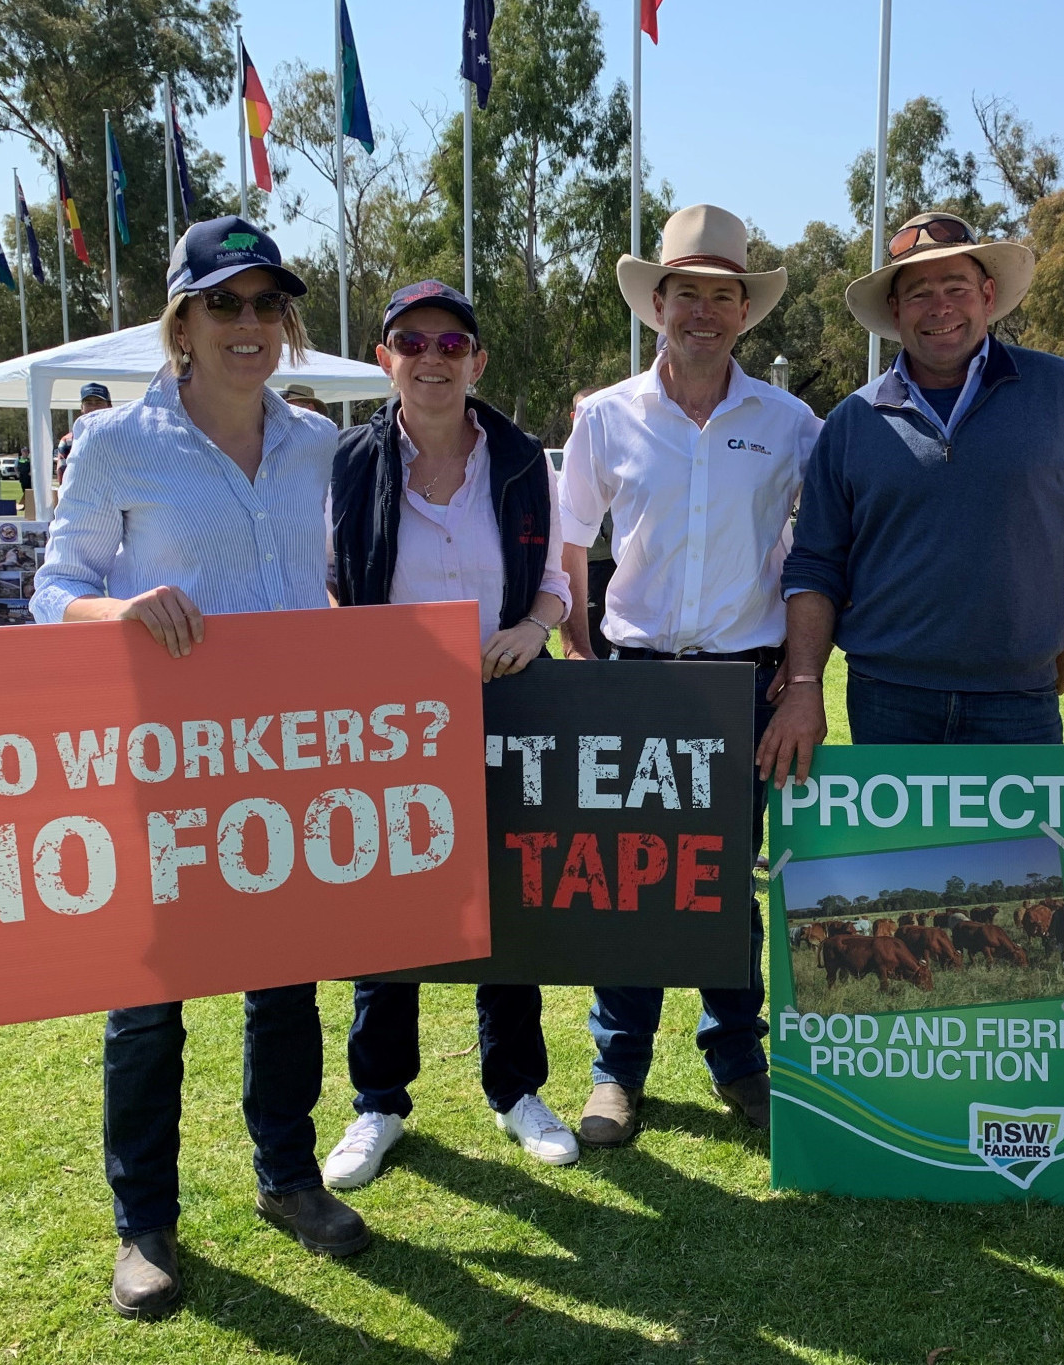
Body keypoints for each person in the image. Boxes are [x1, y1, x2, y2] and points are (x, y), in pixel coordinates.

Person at [758, 210, 1064, 1205]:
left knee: (1025, 923)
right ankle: (906, 1124)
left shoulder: (1060, 392)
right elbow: (814, 566)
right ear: (893, 310)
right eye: (917, 291)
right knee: (897, 917)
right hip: (891, 699)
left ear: (988, 296)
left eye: (956, 286)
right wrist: (807, 683)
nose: (938, 305)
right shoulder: (853, 422)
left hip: (1013, 704)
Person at [29, 215, 369, 1321]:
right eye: (224, 304)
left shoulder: (320, 442)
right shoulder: (118, 444)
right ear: (179, 321)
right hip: (159, 765)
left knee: (286, 990)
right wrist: (116, 608)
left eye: (268, 304)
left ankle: (286, 1179)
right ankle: (144, 1224)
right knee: (147, 1005)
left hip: (281, 765)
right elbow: (51, 588)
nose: (250, 324)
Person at [558, 203, 821, 1146]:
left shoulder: (791, 423)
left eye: (723, 295)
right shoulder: (606, 419)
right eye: (686, 294)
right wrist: (580, 653)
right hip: (635, 677)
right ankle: (616, 1069)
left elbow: (815, 562)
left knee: (724, 880)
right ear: (656, 302)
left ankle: (738, 1059)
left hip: (743, 685)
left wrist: (799, 682)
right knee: (632, 881)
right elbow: (566, 542)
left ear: (744, 310)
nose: (703, 311)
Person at [323, 280, 578, 1184]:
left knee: (507, 904)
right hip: (388, 719)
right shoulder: (350, 460)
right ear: (386, 358)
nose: (432, 357)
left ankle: (516, 1091)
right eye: (411, 341)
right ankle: (378, 1102)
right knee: (386, 907)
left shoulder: (520, 460)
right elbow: (329, 580)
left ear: (477, 360)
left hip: (504, 705)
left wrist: (534, 627)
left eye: (450, 343)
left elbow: (557, 577)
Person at [559, 385, 619, 660]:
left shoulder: (618, 449)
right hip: (585, 565)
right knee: (589, 643)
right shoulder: (571, 458)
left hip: (615, 566)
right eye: (583, 412)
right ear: (573, 416)